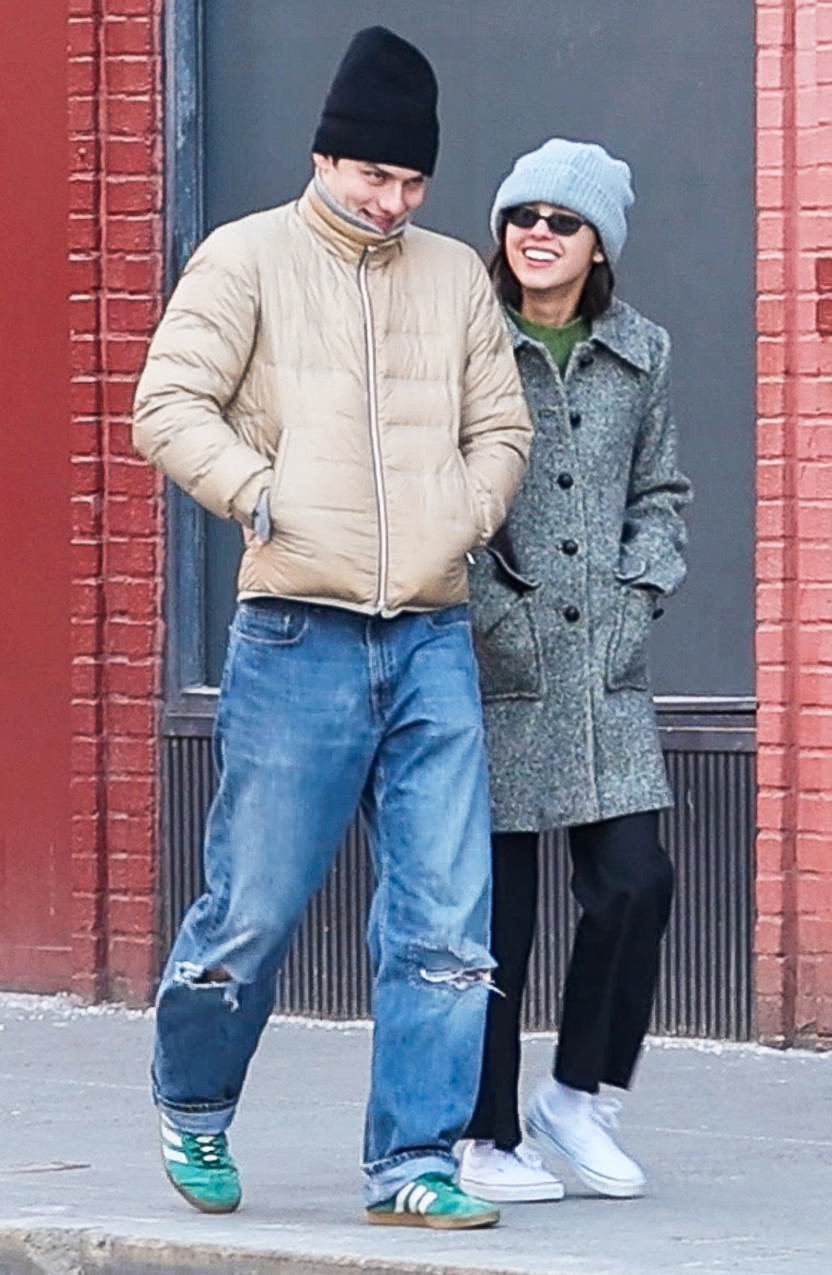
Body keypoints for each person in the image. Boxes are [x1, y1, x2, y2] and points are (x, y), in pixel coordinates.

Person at [133, 27, 532, 1229]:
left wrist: (461, 517)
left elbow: (500, 425)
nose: (392, 201)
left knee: (448, 922)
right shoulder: (244, 258)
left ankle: (413, 1163)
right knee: (251, 906)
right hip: (295, 640)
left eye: (412, 181)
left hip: (426, 638)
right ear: (326, 156)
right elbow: (168, 404)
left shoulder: (455, 275)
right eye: (373, 176)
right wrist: (265, 496)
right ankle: (193, 1104)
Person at [457, 139, 692, 1204]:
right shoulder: (464, 345)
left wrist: (641, 592)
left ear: (598, 244)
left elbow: (664, 492)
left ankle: (576, 1093)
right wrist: (495, 617)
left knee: (636, 883)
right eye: (523, 215)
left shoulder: (641, 351)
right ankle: (484, 1134)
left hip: (605, 668)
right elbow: (436, 490)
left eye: (562, 219)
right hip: (494, 662)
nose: (538, 233)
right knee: (495, 917)